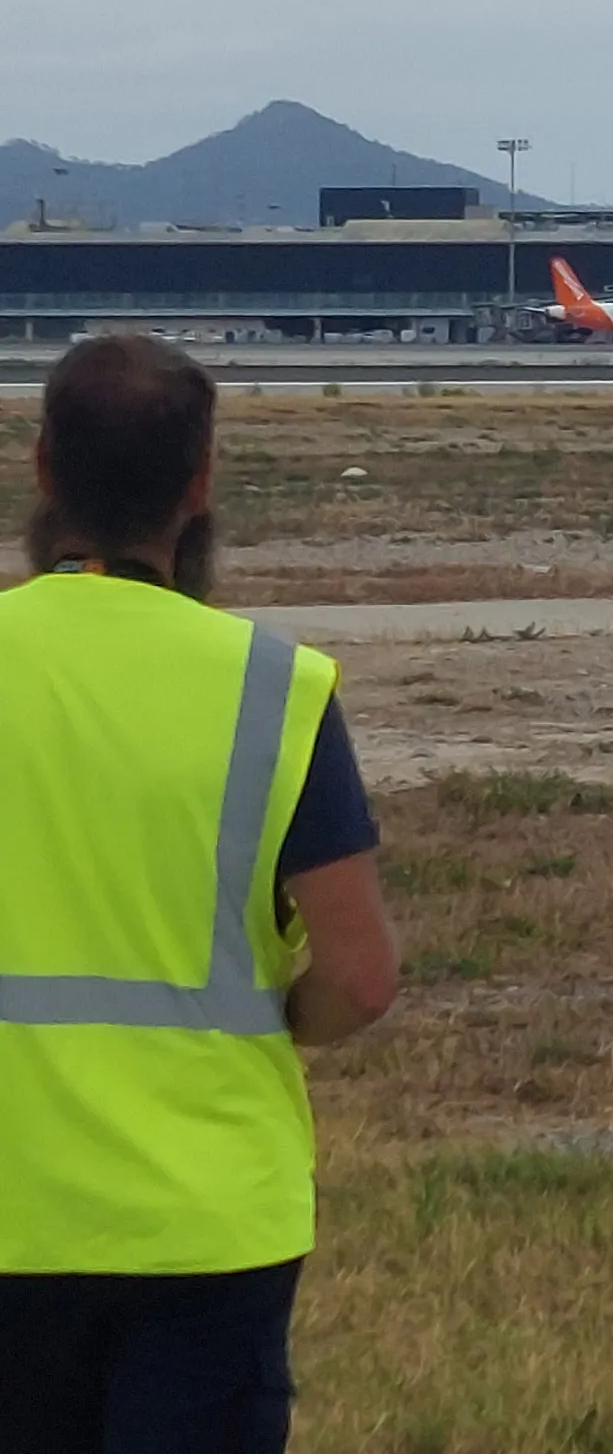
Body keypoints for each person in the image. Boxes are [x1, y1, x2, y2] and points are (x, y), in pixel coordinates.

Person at [0, 335, 400, 1453]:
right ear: (200, 482)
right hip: (207, 1222)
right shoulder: (275, 688)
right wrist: (268, 1017)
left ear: (43, 468)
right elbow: (361, 978)